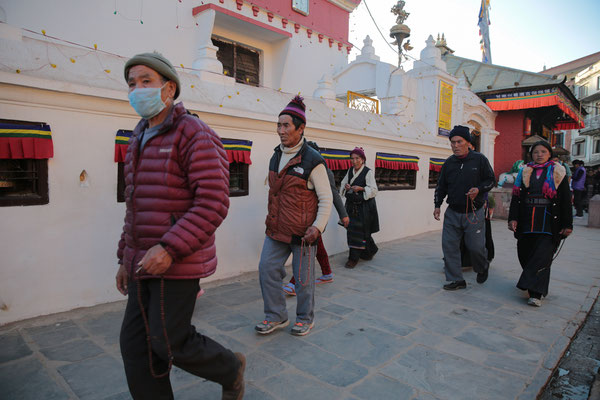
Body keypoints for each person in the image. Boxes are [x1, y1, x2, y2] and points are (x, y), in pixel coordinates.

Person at [115, 52, 245, 400]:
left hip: (178, 262)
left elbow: (214, 202)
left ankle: (230, 368)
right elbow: (135, 206)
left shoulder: (195, 134)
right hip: (141, 261)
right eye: (131, 84)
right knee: (135, 347)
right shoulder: (138, 137)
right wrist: (124, 258)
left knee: (168, 341)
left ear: (168, 88)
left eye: (146, 81)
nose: (137, 89)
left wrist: (169, 248)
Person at [255, 96, 332, 337]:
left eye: (286, 125)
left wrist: (317, 228)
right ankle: (276, 316)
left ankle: (304, 318)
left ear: (301, 128)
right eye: (278, 125)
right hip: (277, 229)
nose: (281, 130)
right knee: (267, 269)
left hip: (303, 234)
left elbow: (326, 199)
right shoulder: (276, 155)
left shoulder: (313, 161)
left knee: (303, 281)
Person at [508, 141, 573, 307]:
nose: (539, 155)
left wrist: (567, 224)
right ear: (531, 154)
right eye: (536, 152)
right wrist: (513, 218)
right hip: (527, 219)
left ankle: (536, 293)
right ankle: (532, 286)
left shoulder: (558, 172)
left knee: (542, 256)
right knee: (525, 254)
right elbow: (516, 198)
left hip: (549, 221)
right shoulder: (524, 171)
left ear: (549, 154)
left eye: (543, 151)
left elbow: (566, 199)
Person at [283, 141, 350, 295]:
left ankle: (294, 283)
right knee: (317, 246)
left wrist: (344, 214)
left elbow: (333, 194)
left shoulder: (324, 171)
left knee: (306, 249)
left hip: (316, 217)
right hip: (302, 215)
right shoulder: (298, 168)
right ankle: (327, 273)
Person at [433, 125, 495, 290]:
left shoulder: (480, 160)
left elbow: (491, 180)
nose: (455, 145)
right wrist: (437, 205)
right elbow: (441, 186)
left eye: (459, 141)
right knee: (449, 247)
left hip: (473, 213)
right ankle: (456, 279)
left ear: (468, 142)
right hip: (452, 212)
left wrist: (479, 189)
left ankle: (482, 267)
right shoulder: (449, 163)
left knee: (475, 247)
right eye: (452, 142)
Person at [339, 147, 379, 269]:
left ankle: (353, 259)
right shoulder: (350, 171)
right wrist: (346, 187)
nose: (354, 161)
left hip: (364, 208)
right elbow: (343, 184)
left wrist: (361, 189)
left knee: (359, 232)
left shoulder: (368, 172)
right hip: (351, 207)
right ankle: (370, 250)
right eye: (352, 158)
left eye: (357, 158)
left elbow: (374, 190)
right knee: (352, 232)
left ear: (362, 159)